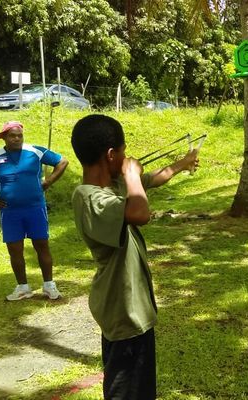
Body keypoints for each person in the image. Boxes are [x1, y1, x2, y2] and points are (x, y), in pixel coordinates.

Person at [70, 114, 198, 399]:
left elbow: (153, 179)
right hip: (123, 311)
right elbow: (140, 213)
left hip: (133, 309)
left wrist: (183, 163)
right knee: (125, 389)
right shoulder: (89, 198)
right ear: (111, 154)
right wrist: (130, 175)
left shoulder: (112, 186)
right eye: (124, 152)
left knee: (140, 389)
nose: (128, 158)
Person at [0, 121, 68, 301]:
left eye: (19, 135)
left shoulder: (35, 152)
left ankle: (49, 286)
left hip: (35, 208)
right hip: (10, 212)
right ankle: (23, 288)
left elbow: (62, 161)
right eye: (12, 136)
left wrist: (48, 181)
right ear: (4, 138)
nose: (17, 139)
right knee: (15, 249)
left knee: (42, 245)